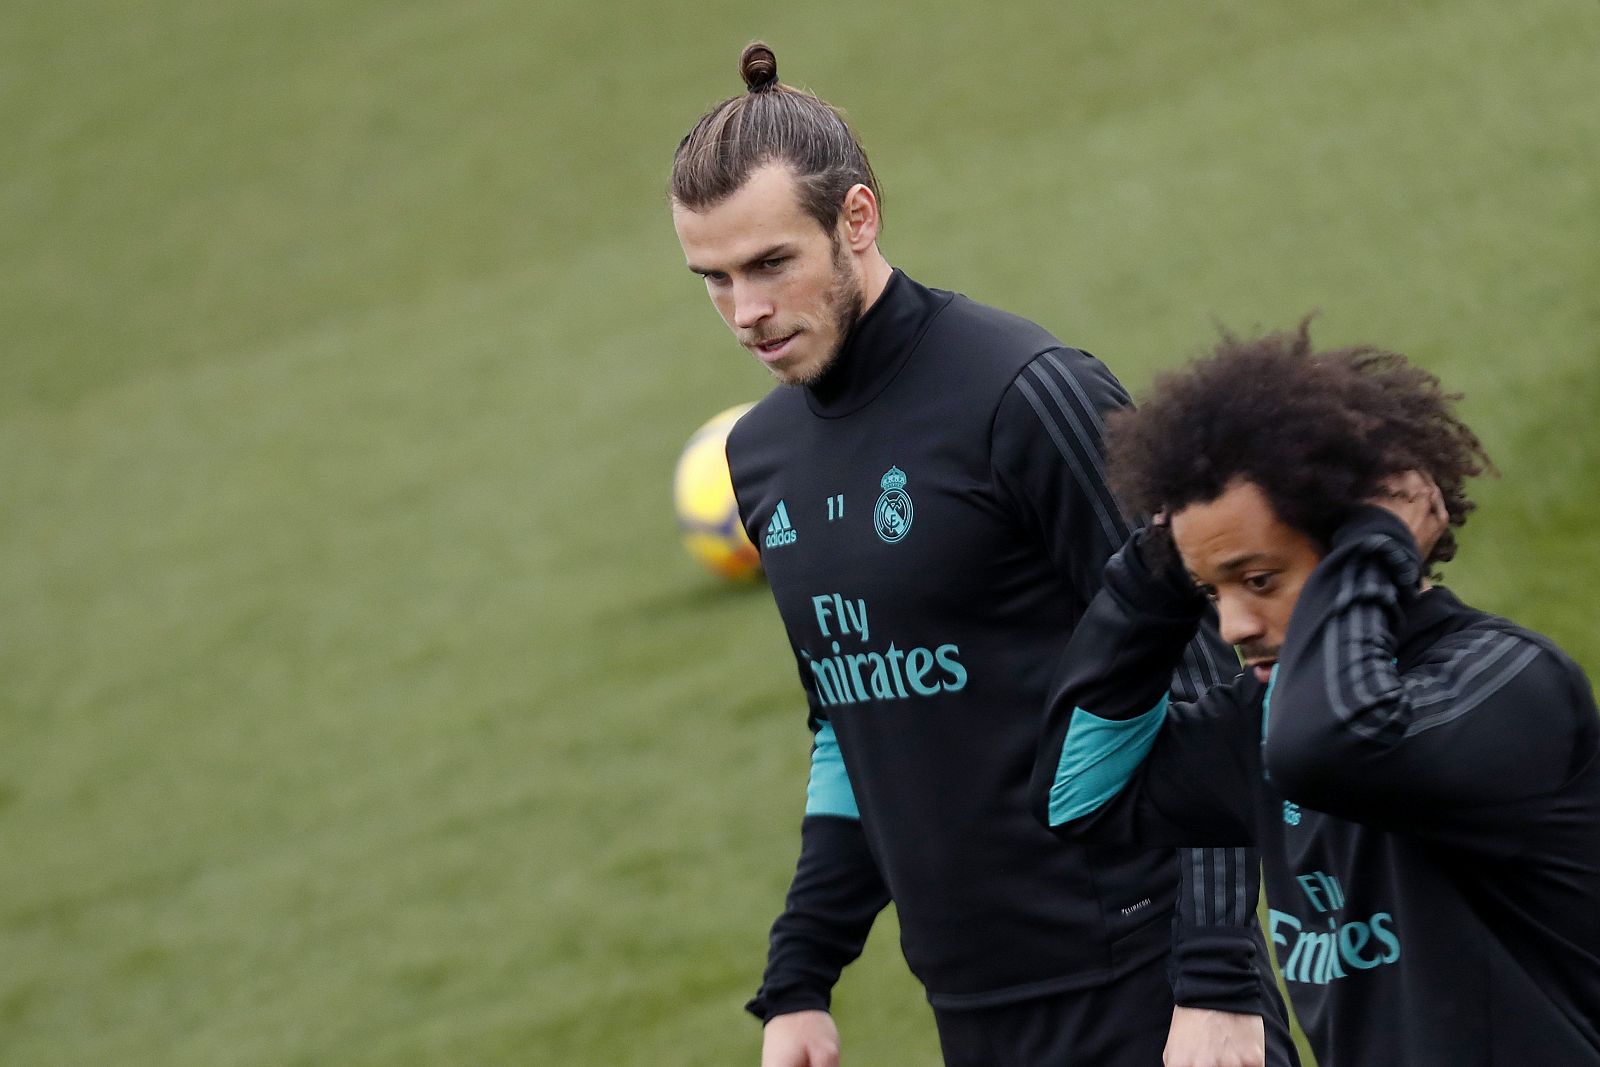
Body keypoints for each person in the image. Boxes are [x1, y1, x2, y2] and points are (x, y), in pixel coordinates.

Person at [669, 42, 1297, 1067]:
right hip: (973, 1006)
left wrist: (1218, 972)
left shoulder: (1025, 392)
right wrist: (801, 973)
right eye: (714, 279)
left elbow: (1203, 672)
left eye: (771, 263)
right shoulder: (761, 454)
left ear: (856, 219)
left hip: (1145, 984)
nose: (746, 312)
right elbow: (850, 714)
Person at [1031, 324, 1600, 1065]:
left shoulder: (1506, 686)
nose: (1232, 623)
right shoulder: (1269, 716)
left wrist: (1373, 551)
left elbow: (1332, 747)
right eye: (1211, 589)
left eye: (1260, 578)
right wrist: (1154, 573)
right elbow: (1078, 792)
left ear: (1348, 541)